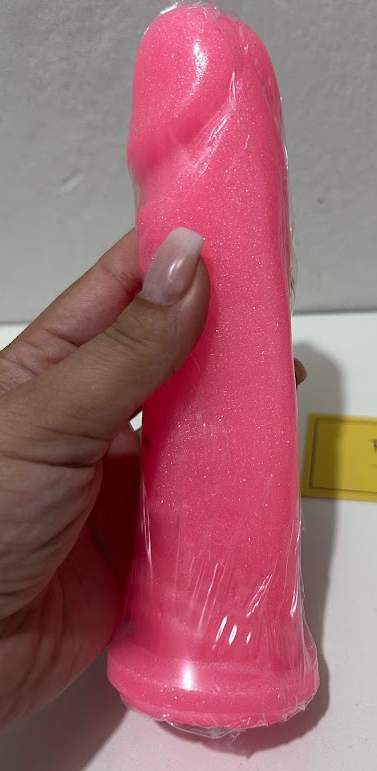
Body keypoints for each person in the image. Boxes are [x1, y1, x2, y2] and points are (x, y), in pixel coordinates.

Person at [0, 228, 306, 728]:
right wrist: (149, 329)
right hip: (168, 656)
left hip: (201, 659)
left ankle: (231, 654)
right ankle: (222, 655)